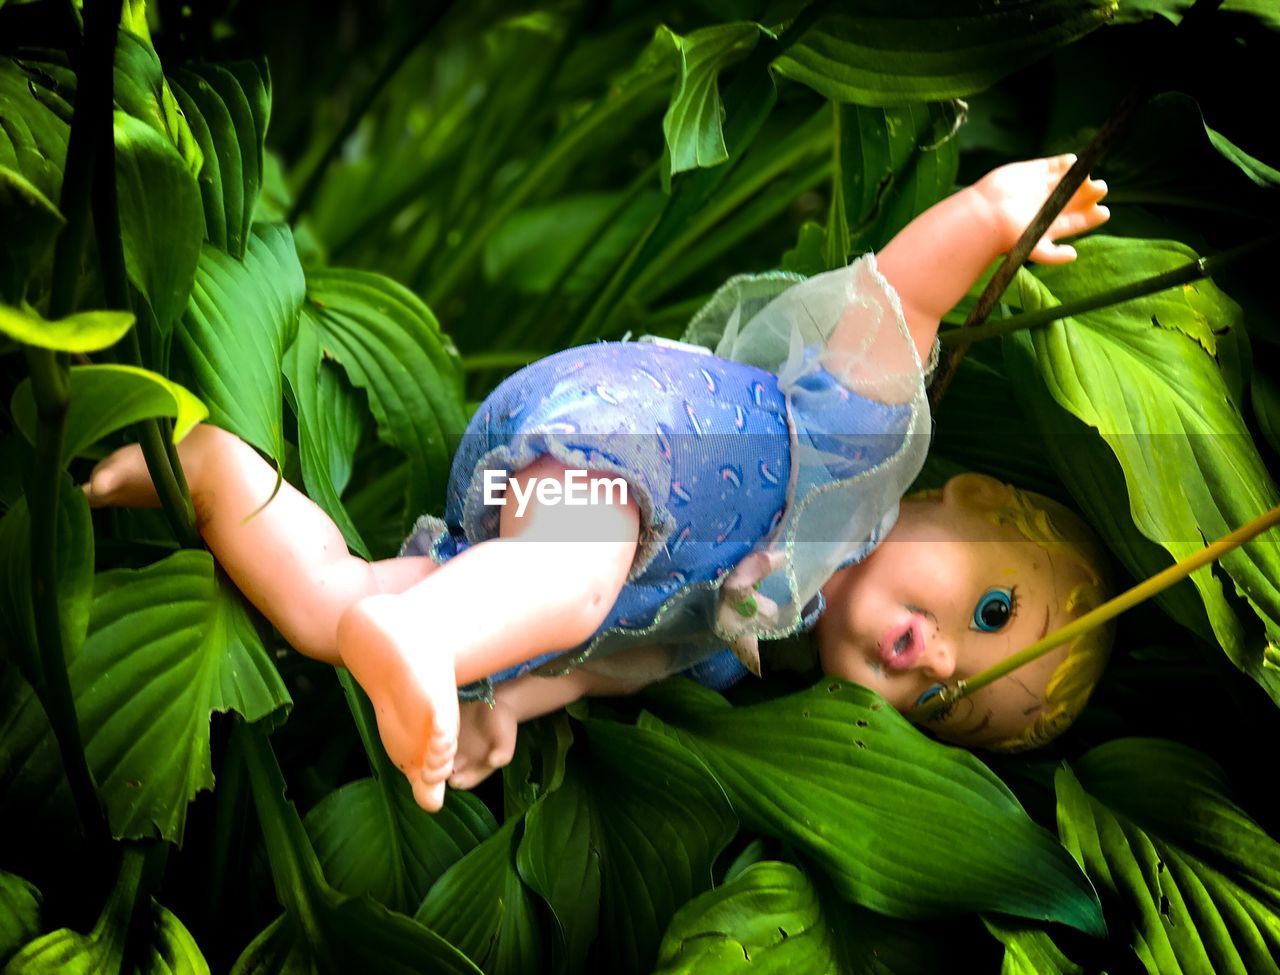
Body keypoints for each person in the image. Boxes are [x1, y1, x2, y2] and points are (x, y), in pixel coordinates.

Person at [86, 155, 1113, 812]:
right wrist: (989, 213)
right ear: (967, 501)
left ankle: (217, 479)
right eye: (988, 610)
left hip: (554, 540)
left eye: (938, 700)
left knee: (332, 612)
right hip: (633, 436)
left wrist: (506, 704)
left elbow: (601, 662)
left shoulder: (732, 653)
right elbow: (902, 293)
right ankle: (428, 636)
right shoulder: (859, 448)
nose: (932, 655)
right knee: (565, 582)